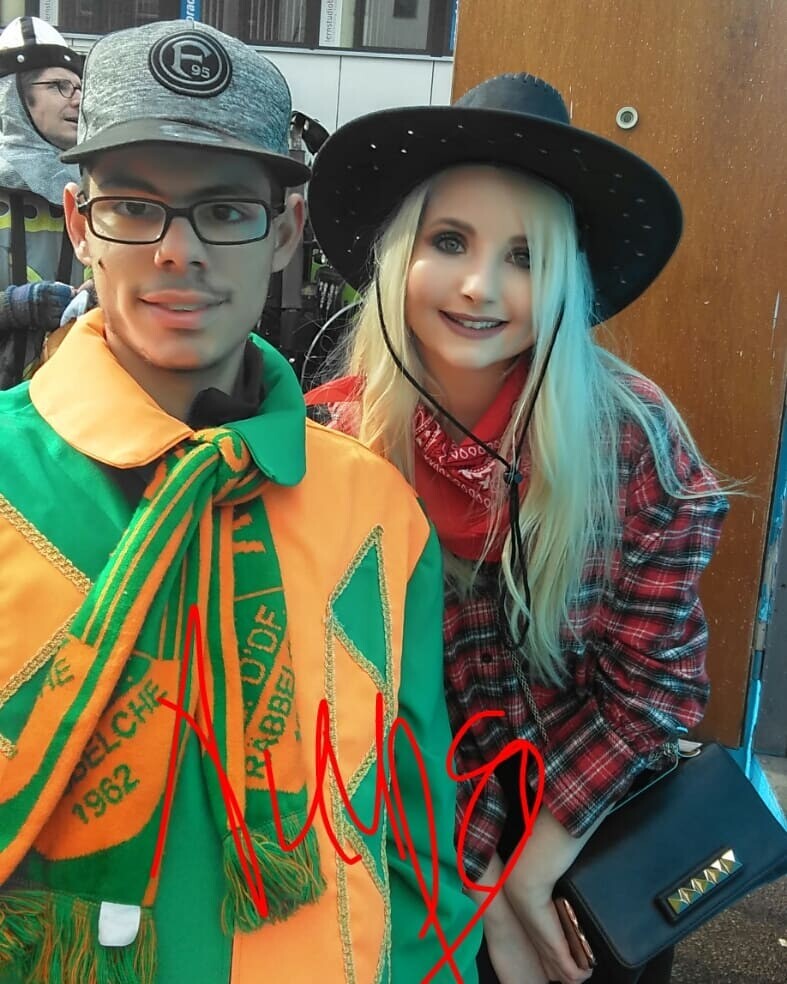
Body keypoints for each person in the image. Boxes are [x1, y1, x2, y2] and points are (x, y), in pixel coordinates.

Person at [0, 20, 479, 984]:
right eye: (134, 208)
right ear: (81, 223)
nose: (178, 253)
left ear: (285, 232)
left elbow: (416, 842)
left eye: (224, 210)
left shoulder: (375, 513)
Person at [305, 73, 729, 984]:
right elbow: (346, 699)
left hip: (593, 827)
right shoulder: (335, 446)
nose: (479, 286)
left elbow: (654, 688)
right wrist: (479, 887)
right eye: (449, 240)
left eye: (525, 256)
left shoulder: (633, 443)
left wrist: (526, 877)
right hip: (409, 835)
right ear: (398, 253)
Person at [0, 15, 84, 388]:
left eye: (79, 86)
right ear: (13, 95)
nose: (77, 99)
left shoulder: (101, 186)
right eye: (59, 86)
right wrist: (13, 307)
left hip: (76, 402)